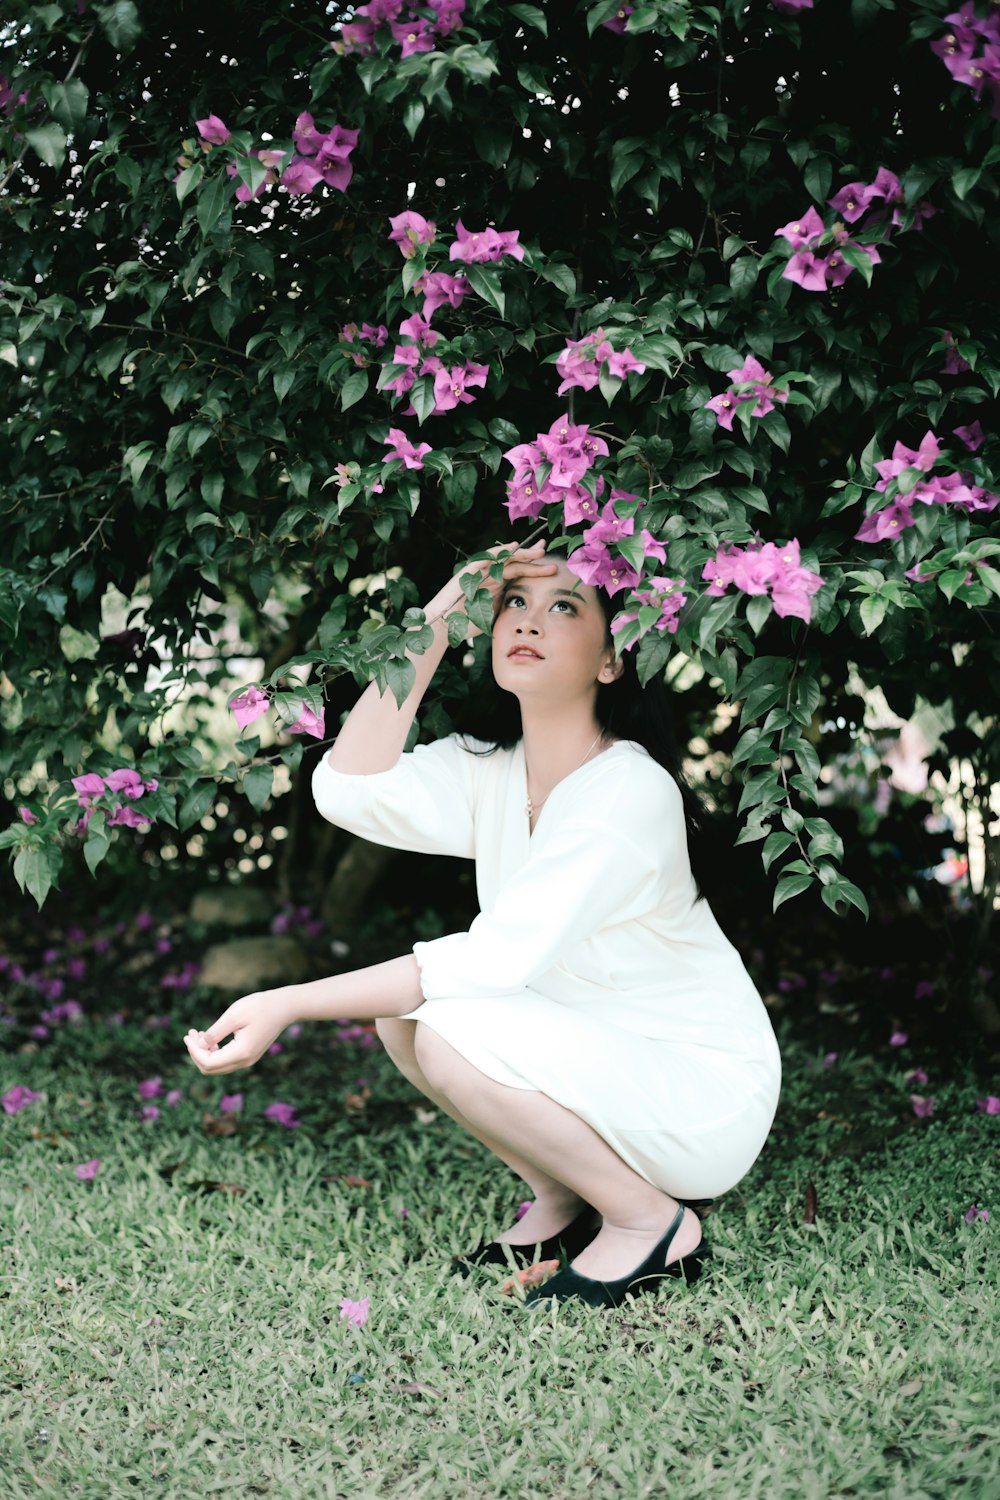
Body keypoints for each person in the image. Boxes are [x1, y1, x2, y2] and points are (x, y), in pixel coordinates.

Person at [184, 541, 781, 1309]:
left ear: (612, 659)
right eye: (513, 604)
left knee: (443, 1027)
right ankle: (562, 1200)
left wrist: (287, 1002)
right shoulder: (491, 766)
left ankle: (650, 1222)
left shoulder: (629, 790)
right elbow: (345, 787)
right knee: (404, 1016)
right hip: (603, 1056)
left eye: (565, 606)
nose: (528, 621)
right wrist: (445, 605)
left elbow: (493, 962)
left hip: (700, 1095)